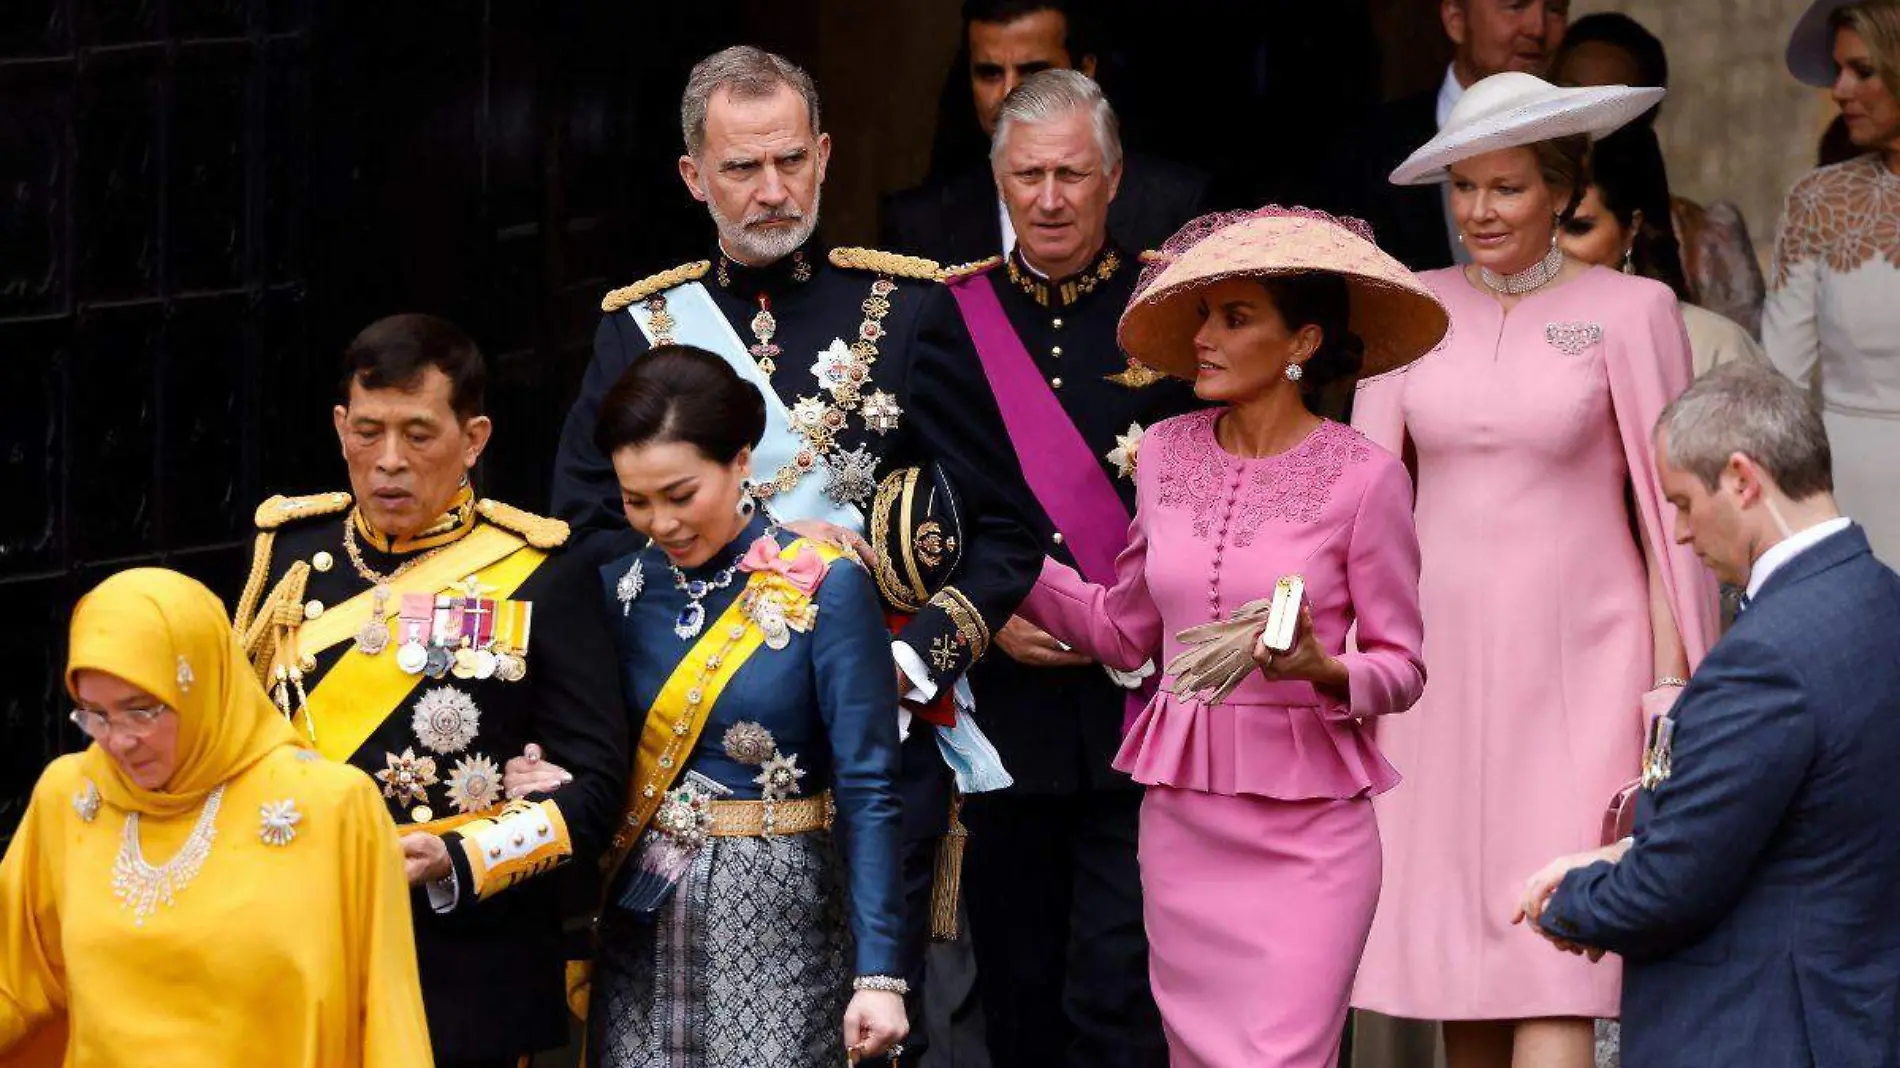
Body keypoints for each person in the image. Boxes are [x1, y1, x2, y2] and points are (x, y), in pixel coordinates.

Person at [549, 46, 1041, 1064]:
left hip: (877, 745)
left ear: (823, 155)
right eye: (740, 169)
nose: (771, 192)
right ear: (693, 176)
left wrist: (911, 663)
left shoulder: (909, 311)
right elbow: (586, 540)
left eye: (789, 162)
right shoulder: (638, 326)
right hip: (695, 748)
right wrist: (746, 553)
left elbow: (1006, 530)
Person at [1017, 205, 1445, 1068]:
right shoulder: (1167, 453)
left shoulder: (1368, 477)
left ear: (1303, 342)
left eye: (1234, 317)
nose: (1203, 336)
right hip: (1183, 825)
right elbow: (1123, 627)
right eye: (1205, 314)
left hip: (1312, 837)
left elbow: (1401, 668)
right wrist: (1003, 568)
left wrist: (1326, 668)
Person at [1352, 73, 1719, 1068]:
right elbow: (1363, 517)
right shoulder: (1407, 313)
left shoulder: (1629, 310)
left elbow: (1668, 520)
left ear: (1560, 190)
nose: (1478, 211)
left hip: (1580, 685)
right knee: (1458, 977)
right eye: (1463, 187)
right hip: (1433, 691)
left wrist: (1671, 694)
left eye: (1505, 188)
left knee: (1554, 953)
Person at [233, 313, 630, 1067]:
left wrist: (458, 859)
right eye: (369, 432)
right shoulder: (287, 556)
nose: (388, 462)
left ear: (473, 439)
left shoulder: (543, 570)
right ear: (340, 426)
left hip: (455, 964)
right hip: (291, 938)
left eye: (418, 435)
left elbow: (595, 788)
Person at [1517, 361, 1900, 1068]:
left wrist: (1569, 899)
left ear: (1743, 479)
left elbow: (1669, 892)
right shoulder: (1882, 600)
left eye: (1685, 503)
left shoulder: (1765, 657)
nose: (1683, 534)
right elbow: (1804, 824)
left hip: (1757, 1027)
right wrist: (1624, 852)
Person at [539, 346, 905, 1065]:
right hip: (638, 924)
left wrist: (881, 972)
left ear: (741, 461)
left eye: (680, 495)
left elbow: (869, 785)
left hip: (784, 924)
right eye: (635, 500)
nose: (661, 523)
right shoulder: (614, 589)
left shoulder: (826, 587)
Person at [936, 69, 1197, 1068]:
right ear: (998, 178)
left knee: (1118, 992)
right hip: (1001, 715)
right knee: (1016, 996)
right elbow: (909, 495)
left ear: (1114, 178)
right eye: (1028, 174)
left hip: (1140, 714)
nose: (1049, 198)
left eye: (1071, 175)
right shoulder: (947, 317)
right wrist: (981, 613)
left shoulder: (1172, 315)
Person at [0, 568, 432, 1066]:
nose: (117, 740)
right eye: (94, 714)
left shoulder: (331, 807)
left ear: (203, 684)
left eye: (142, 710)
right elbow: (16, 982)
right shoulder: (69, 795)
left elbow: (385, 1016)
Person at [879, 0, 1210, 265]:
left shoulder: (1174, 208)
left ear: (1085, 72)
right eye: (989, 73)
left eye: (1033, 71)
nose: (1009, 92)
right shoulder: (917, 225)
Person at [1764, 0, 1900, 566]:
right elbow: (1780, 380)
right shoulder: (1819, 201)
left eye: (1862, 71)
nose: (1840, 90)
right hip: (1847, 499)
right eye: (1840, 69)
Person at [1551, 12, 1768, 338]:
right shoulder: (1507, 212)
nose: (1591, 128)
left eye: (1613, 109)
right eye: (1571, 101)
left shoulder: (1702, 238)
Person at [1321, 0, 1570, 272]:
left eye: (1555, 9)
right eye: (1515, 6)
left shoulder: (1577, 142)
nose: (1538, 28)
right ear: (1456, 20)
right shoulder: (1367, 148)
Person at [1559, 125, 1767, 377]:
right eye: (1539, 228)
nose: (1553, 247)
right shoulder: (1509, 334)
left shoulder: (1712, 345)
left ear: (1630, 229)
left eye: (1578, 228)